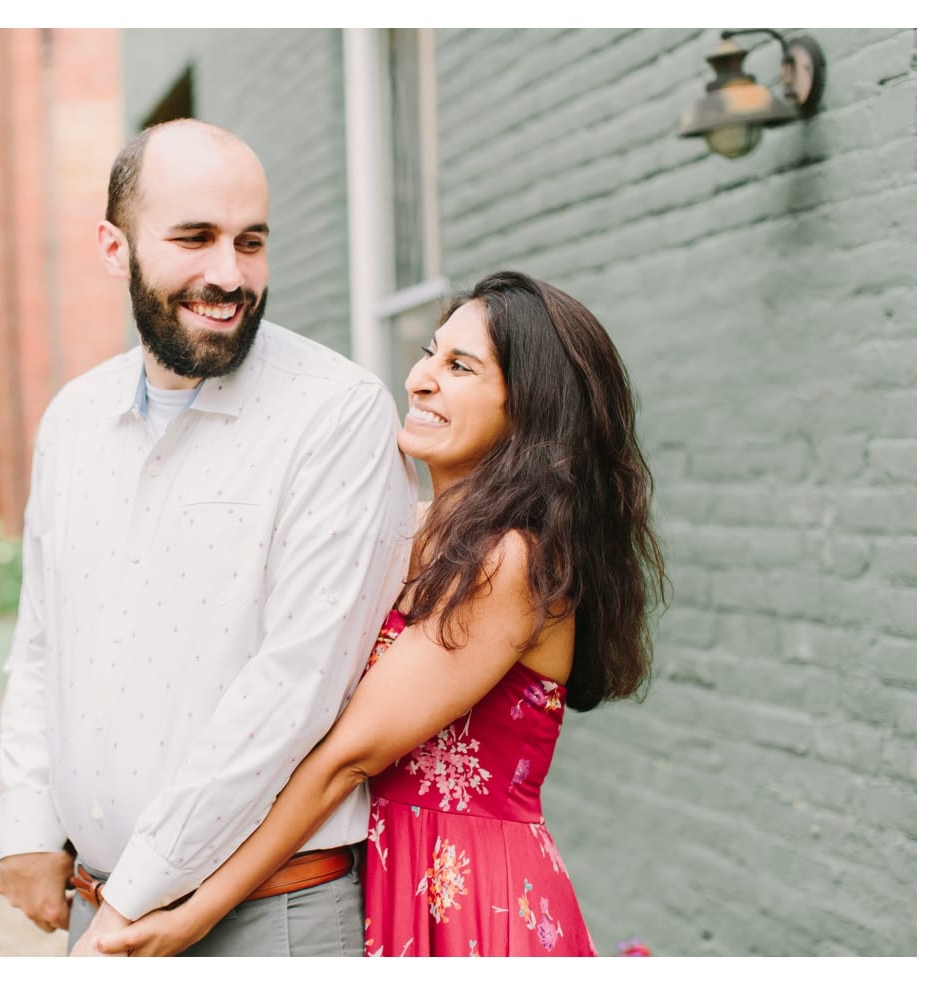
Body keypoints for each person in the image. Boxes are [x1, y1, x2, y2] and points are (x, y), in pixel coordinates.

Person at [89, 270, 668, 957]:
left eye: (460, 367)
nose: (421, 378)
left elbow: (347, 757)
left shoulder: (510, 560)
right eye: (430, 352)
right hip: (388, 870)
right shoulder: (410, 529)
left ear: (528, 409)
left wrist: (198, 909)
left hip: (474, 901)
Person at [0, 118, 417, 957]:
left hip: (270, 919)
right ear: (116, 250)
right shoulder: (73, 418)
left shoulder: (337, 412)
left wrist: (135, 894)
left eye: (250, 241)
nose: (230, 275)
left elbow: (295, 692)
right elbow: (43, 641)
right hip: (99, 902)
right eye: (195, 238)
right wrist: (27, 820)